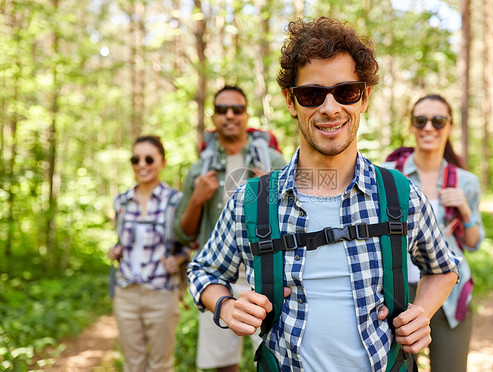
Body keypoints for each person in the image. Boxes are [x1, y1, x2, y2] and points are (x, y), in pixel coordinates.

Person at [188, 17, 460, 372]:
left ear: (364, 98)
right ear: (291, 101)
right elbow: (203, 271)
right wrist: (225, 305)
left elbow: (443, 269)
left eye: (345, 91)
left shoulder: (400, 194)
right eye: (312, 94)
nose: (330, 108)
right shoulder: (253, 200)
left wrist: (420, 313)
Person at [173, 85, 286, 372]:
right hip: (218, 279)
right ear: (214, 118)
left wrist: (270, 191)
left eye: (237, 109)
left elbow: (295, 225)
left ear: (247, 115)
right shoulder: (200, 170)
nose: (230, 115)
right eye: (222, 110)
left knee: (278, 360)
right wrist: (197, 200)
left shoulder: (271, 162)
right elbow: (182, 233)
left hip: (267, 274)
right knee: (223, 365)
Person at [382, 94, 485, 372]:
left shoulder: (466, 181)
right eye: (421, 120)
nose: (429, 127)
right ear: (412, 126)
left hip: (450, 293)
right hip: (396, 294)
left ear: (449, 127)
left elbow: (473, 244)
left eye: (439, 121)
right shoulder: (388, 176)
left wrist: (466, 211)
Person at [108, 135, 189, 372]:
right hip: (126, 293)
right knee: (133, 364)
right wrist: (117, 250)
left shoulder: (177, 201)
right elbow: (122, 241)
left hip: (162, 293)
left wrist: (179, 259)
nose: (142, 164)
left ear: (162, 162)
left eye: (149, 158)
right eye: (136, 159)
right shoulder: (121, 201)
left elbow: (190, 243)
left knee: (161, 365)